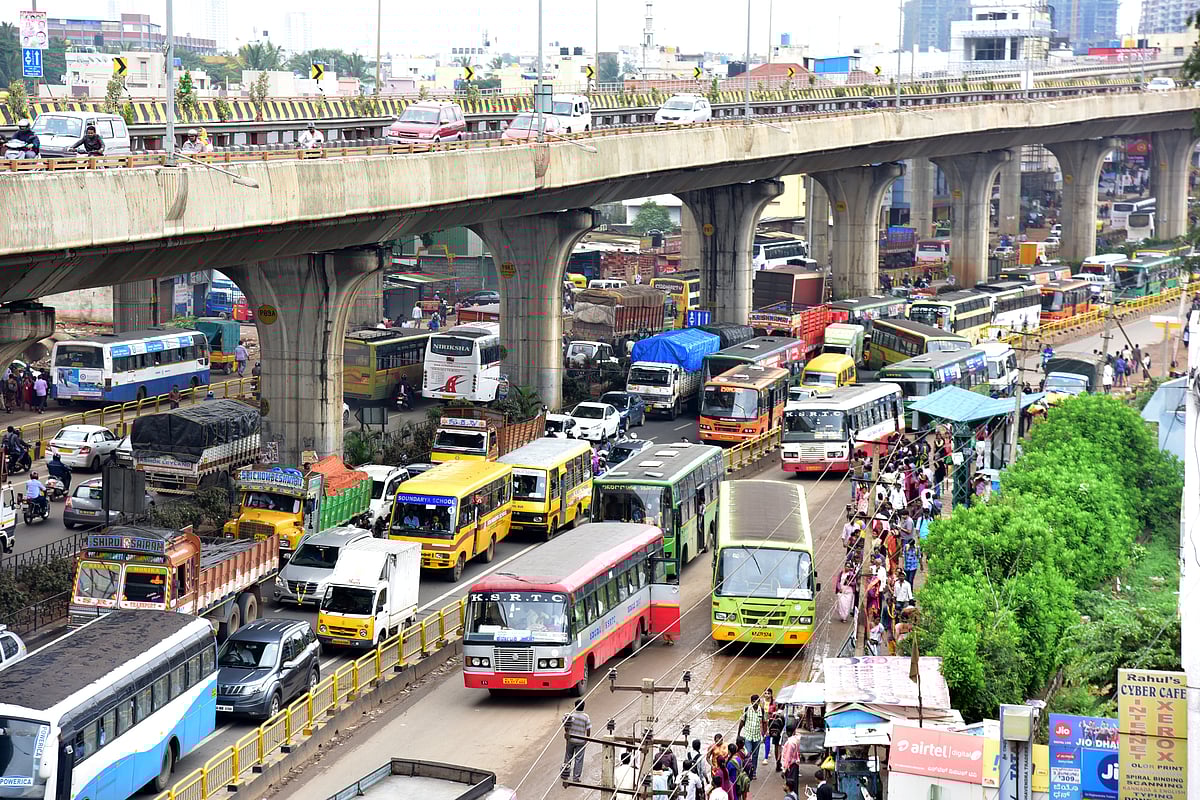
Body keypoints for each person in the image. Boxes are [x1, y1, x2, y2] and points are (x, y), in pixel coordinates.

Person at [561, 699, 590, 782]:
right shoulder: (586, 717)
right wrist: (587, 738)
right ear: (583, 706)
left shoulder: (571, 715)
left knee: (568, 756)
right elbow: (588, 729)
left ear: (575, 706)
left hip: (570, 740)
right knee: (579, 759)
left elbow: (566, 728)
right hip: (581, 741)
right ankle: (576, 778)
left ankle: (565, 774)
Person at [736, 695, 765, 781]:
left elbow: (764, 723)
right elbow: (742, 722)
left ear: (759, 702)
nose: (755, 703)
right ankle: (747, 770)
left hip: (757, 737)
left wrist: (764, 735)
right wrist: (738, 733)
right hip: (748, 736)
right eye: (753, 701)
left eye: (757, 701)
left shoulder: (762, 711)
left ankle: (754, 772)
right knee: (748, 754)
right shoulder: (746, 710)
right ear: (751, 702)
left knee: (755, 755)